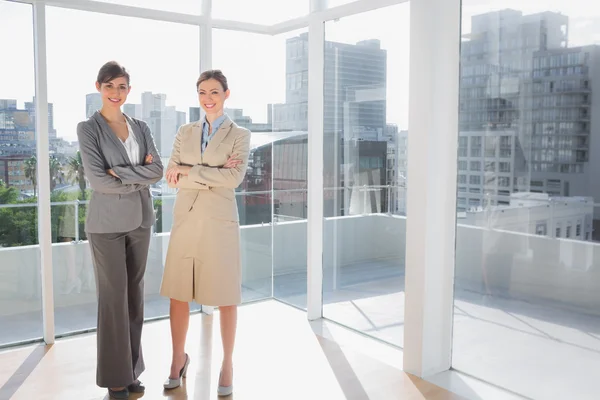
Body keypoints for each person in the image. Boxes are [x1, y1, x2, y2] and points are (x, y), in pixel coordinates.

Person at [160, 69, 250, 397]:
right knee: (178, 292)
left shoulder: (239, 134)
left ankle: (227, 364)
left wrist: (190, 171)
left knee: (226, 296)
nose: (207, 98)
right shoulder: (185, 132)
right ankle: (176, 359)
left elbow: (234, 178)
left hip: (219, 223)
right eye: (202, 92)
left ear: (226, 94)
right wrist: (208, 173)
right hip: (186, 220)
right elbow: (171, 175)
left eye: (214, 92)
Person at [77, 61, 164, 399]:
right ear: (99, 87)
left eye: (122, 86)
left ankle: (131, 371)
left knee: (135, 297)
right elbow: (98, 179)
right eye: (110, 86)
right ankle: (115, 378)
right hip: (106, 226)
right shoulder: (88, 129)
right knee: (113, 300)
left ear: (129, 90)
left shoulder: (141, 126)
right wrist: (136, 178)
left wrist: (122, 174)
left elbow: (157, 169)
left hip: (141, 220)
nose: (116, 93)